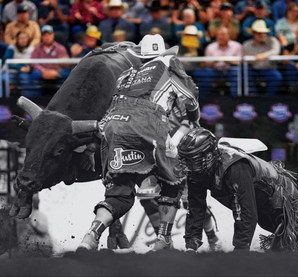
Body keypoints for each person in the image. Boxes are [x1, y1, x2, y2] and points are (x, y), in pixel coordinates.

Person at [77, 34, 201, 251]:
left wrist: (91, 144)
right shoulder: (169, 66)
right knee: (175, 180)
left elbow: (116, 107)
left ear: (140, 56)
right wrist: (194, 118)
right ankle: (162, 240)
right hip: (148, 124)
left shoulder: (126, 74)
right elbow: (190, 99)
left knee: (119, 191)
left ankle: (90, 237)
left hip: (114, 126)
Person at [176, 127, 298, 252]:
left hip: (275, 189)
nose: (189, 166)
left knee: (289, 228)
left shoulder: (234, 167)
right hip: (260, 196)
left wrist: (240, 250)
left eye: (194, 160)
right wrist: (191, 246)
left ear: (209, 154)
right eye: (187, 161)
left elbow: (246, 212)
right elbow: (196, 210)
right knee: (289, 231)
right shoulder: (197, 172)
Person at [193, 26, 242, 96]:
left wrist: (227, 60)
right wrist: (215, 60)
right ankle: (205, 99)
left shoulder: (237, 46)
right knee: (206, 72)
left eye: (223, 35)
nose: (221, 37)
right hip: (215, 70)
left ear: (229, 36)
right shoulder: (210, 47)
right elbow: (207, 64)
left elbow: (239, 63)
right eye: (219, 35)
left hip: (230, 70)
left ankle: (235, 97)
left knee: (236, 71)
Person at [26, 25, 72, 93]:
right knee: (34, 74)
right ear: (41, 37)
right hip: (42, 72)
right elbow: (34, 63)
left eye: (49, 35)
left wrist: (56, 71)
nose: (47, 37)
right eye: (45, 35)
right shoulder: (37, 49)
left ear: (53, 35)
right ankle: (35, 98)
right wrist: (43, 70)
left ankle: (64, 95)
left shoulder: (60, 48)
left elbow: (66, 64)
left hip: (57, 72)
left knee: (68, 74)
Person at [242, 19, 283, 95]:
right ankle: (254, 98)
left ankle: (267, 98)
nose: (261, 35)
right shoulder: (247, 44)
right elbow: (245, 58)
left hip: (269, 69)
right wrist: (253, 58)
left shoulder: (272, 41)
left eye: (263, 33)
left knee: (277, 77)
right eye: (259, 33)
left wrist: (264, 55)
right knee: (245, 74)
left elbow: (276, 51)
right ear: (253, 33)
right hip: (254, 69)